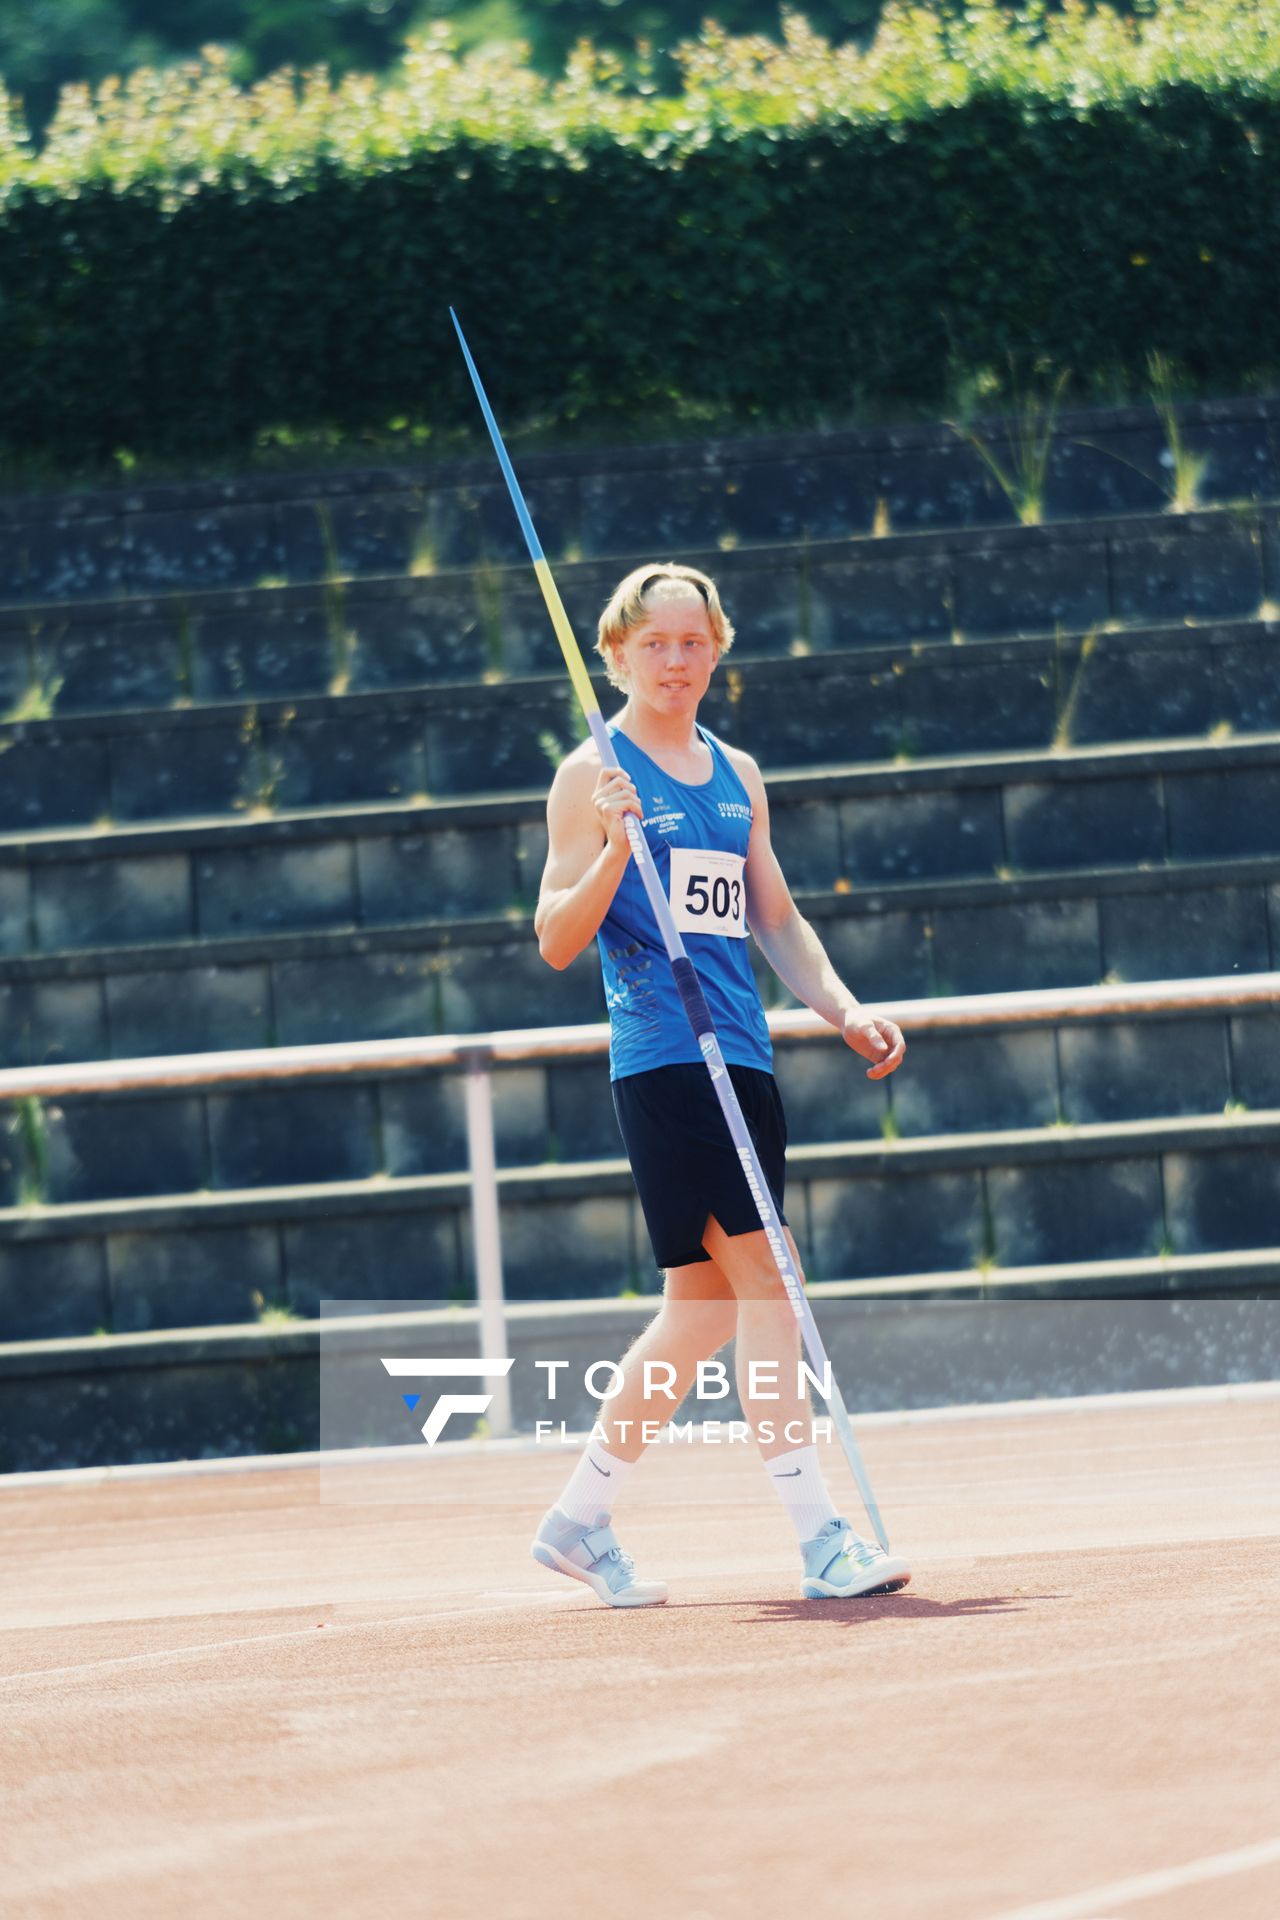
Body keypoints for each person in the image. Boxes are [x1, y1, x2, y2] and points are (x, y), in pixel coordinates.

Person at [529, 562, 909, 1607]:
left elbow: (773, 917)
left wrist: (840, 1007)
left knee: (700, 1310)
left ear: (717, 649)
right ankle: (818, 1533)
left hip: (741, 1055)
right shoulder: (588, 772)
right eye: (653, 643)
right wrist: (611, 845)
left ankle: (578, 1519)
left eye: (692, 642)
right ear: (614, 652)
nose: (674, 661)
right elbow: (556, 937)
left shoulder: (735, 773)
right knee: (772, 1285)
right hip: (664, 1059)